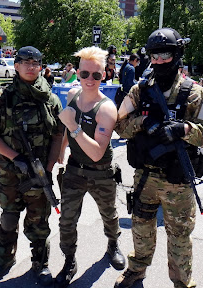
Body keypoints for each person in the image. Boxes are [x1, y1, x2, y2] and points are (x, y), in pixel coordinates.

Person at [114, 28, 203, 288]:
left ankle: (181, 281)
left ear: (177, 55)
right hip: (145, 177)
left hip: (178, 181)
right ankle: (137, 270)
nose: (159, 61)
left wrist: (186, 129)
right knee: (141, 227)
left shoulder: (194, 93)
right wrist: (143, 122)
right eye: (154, 55)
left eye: (165, 54)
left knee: (179, 236)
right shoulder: (139, 91)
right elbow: (118, 125)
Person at [0, 46, 64, 286]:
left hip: (38, 174)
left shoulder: (50, 99)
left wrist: (48, 168)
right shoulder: (1, 96)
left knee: (39, 222)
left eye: (35, 63)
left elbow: (59, 134)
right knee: (8, 217)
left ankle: (40, 263)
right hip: (10, 171)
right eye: (25, 62)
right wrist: (15, 157)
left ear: (40, 67)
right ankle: (3, 260)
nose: (30, 66)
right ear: (16, 66)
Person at [55, 46, 125, 288]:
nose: (89, 80)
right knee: (67, 220)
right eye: (85, 74)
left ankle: (113, 244)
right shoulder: (72, 95)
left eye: (96, 75)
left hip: (100, 171)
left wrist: (73, 126)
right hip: (74, 169)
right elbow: (66, 126)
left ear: (103, 75)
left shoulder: (106, 108)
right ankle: (69, 259)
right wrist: (62, 148)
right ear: (78, 72)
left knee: (109, 215)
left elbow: (96, 153)